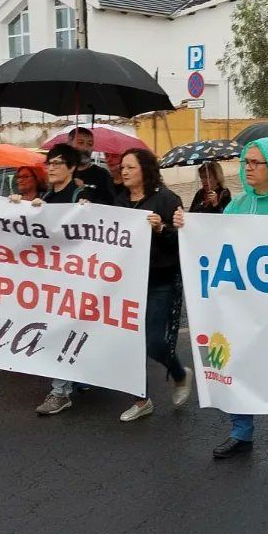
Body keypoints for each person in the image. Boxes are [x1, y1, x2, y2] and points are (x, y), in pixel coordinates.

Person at [172, 136, 268, 459]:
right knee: (238, 360)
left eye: (257, 163)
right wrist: (188, 226)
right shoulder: (240, 204)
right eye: (246, 162)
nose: (249, 168)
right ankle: (241, 431)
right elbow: (216, 241)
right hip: (245, 304)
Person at [14, 146, 96, 415]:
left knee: (64, 328)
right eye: (49, 163)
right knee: (60, 329)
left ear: (72, 168)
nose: (51, 168)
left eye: (59, 163)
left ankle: (60, 391)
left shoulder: (80, 196)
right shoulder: (47, 196)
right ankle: (75, 378)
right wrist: (25, 210)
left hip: (75, 277)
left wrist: (86, 209)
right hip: (51, 277)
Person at [114, 148, 191, 422]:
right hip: (126, 284)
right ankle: (141, 399)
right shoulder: (119, 201)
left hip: (160, 282)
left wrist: (161, 229)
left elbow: (184, 241)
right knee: (128, 343)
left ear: (145, 170)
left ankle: (180, 374)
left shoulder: (167, 200)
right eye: (122, 167)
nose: (124, 171)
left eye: (130, 167)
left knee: (155, 342)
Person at [67, 127, 117, 206]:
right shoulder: (63, 172)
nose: (85, 148)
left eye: (90, 144)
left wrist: (84, 191)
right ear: (69, 145)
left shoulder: (102, 174)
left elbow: (110, 204)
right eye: (80, 142)